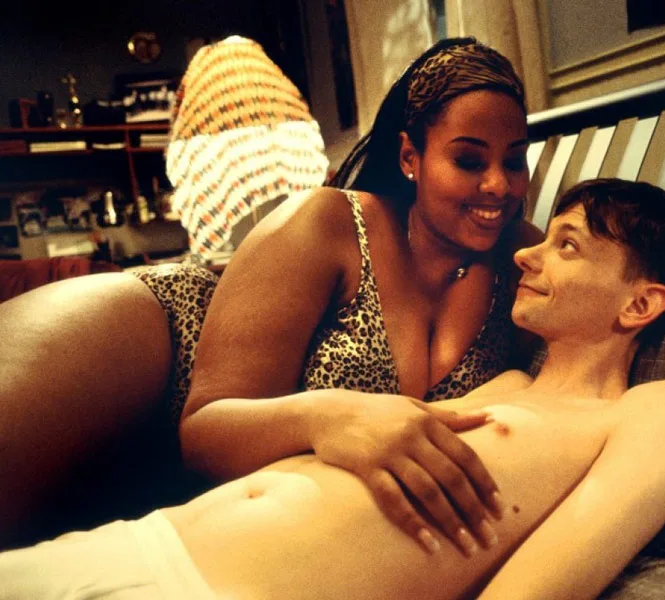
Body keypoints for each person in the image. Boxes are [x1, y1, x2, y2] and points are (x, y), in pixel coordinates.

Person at [0, 178, 665, 599]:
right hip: (141, 542)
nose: (527, 255)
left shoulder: (657, 408)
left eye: (567, 245)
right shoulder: (505, 379)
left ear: (640, 304)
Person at [0, 37, 542, 550]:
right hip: (156, 344)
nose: (499, 185)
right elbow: (204, 432)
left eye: (514, 160)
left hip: (220, 502)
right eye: (469, 161)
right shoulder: (328, 220)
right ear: (409, 158)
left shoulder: (524, 260)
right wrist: (327, 416)